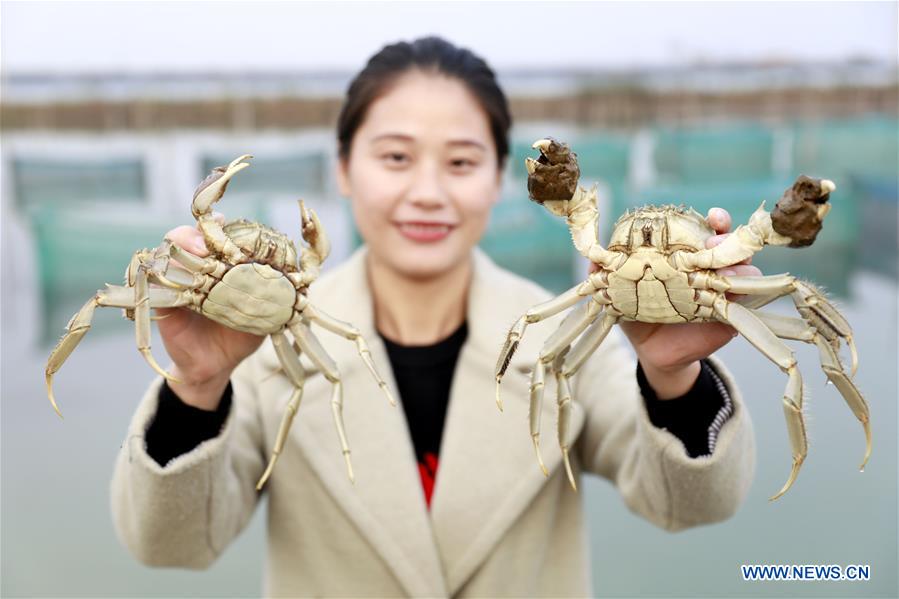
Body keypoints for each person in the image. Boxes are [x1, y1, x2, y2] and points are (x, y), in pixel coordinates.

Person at [111, 36, 757, 597]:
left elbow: (690, 502)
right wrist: (196, 384)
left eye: (460, 161)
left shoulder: (560, 327)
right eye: (395, 157)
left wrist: (673, 374)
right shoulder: (260, 343)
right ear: (343, 168)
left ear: (501, 176)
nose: (426, 191)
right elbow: (170, 546)